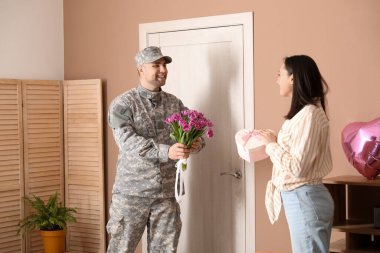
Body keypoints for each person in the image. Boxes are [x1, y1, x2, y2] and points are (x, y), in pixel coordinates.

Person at [106, 46, 204, 253]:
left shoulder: (173, 103)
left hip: (166, 194)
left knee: (165, 250)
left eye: (164, 65)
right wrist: (165, 151)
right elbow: (127, 141)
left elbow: (194, 130)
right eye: (156, 65)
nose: (163, 69)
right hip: (133, 194)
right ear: (141, 69)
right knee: (121, 249)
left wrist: (196, 143)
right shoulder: (123, 104)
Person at [257, 55, 334, 253]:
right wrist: (273, 142)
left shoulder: (309, 115)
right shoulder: (306, 114)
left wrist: (271, 145)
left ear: (293, 78)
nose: (276, 80)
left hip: (304, 196)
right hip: (302, 197)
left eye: (279, 74)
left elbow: (298, 168)